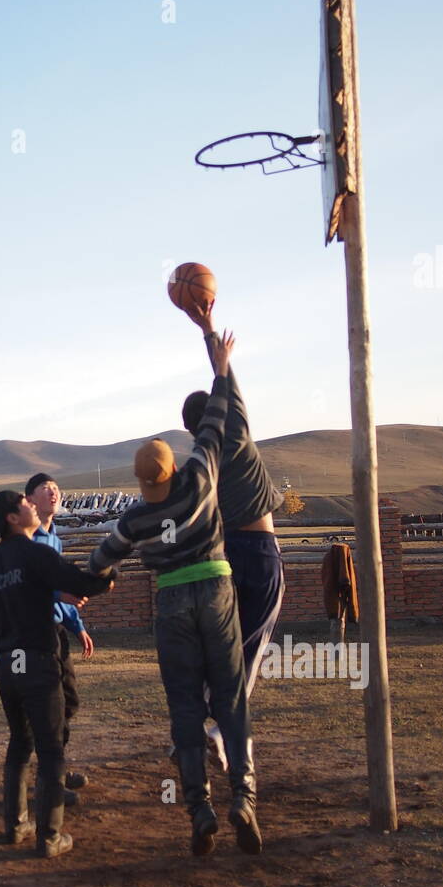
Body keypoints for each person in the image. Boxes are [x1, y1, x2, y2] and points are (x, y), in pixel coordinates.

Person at [88, 329, 262, 856]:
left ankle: (200, 809)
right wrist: (220, 363)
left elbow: (101, 559)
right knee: (230, 701)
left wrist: (90, 586)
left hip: (171, 606)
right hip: (215, 591)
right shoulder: (201, 476)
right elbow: (216, 420)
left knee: (185, 709)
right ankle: (245, 800)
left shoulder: (138, 517)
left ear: (144, 481)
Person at [0, 490, 116, 858]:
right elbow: (80, 582)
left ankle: (15, 825)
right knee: (51, 749)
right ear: (12, 517)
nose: (33, 506)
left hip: (8, 663)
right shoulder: (36, 553)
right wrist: (107, 575)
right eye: (25, 502)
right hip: (37, 661)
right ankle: (50, 837)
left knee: (20, 743)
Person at [180, 301, 285, 704]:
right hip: (259, 554)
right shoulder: (236, 433)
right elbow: (226, 382)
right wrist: (208, 329)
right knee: (251, 647)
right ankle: (220, 733)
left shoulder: (198, 465)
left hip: (222, 560)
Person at [25, 472, 91, 804]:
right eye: (44, 488)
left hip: (57, 632)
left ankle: (56, 770)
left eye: (55, 487)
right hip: (35, 635)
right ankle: (47, 781)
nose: (52, 492)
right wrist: (59, 594)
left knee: (68, 702)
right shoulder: (28, 540)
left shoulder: (55, 538)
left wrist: (77, 625)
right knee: (49, 708)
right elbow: (30, 586)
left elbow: (61, 589)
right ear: (30, 500)